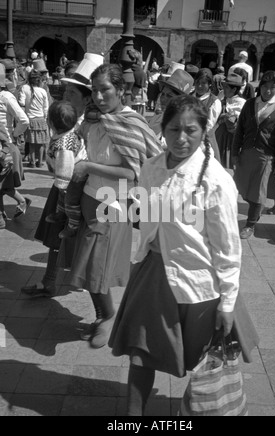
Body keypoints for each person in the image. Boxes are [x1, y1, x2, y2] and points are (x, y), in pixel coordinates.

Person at [109, 95, 259, 416]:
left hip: (200, 284)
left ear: (205, 130)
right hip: (152, 274)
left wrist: (227, 303)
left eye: (190, 130)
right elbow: (147, 216)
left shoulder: (216, 180)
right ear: (162, 129)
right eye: (174, 129)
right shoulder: (151, 168)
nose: (181, 138)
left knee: (202, 363)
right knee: (140, 352)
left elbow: (228, 248)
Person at [58, 63, 162, 349]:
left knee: (95, 266)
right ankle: (104, 315)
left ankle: (108, 316)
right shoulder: (91, 120)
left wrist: (89, 165)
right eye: (95, 90)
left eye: (106, 90)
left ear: (122, 90)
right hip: (88, 199)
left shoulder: (132, 123)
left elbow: (135, 172)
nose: (100, 97)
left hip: (114, 204)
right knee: (87, 265)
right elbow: (76, 147)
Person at [21, 53, 101, 299]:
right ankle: (49, 282)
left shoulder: (92, 125)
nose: (66, 96)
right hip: (64, 189)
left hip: (84, 192)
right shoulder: (70, 121)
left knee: (84, 246)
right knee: (56, 237)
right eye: (66, 92)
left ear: (88, 99)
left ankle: (99, 306)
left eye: (73, 94)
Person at [233, 71, 275, 240]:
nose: (268, 90)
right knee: (243, 189)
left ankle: (250, 224)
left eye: (272, 87)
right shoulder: (250, 104)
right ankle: (255, 212)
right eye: (265, 86)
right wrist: (235, 151)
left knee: (258, 192)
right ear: (261, 87)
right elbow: (240, 130)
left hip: (266, 157)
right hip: (247, 153)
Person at [45, 101, 88, 239]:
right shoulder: (65, 133)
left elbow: (66, 166)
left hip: (74, 177)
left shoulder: (64, 145)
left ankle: (73, 226)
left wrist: (63, 184)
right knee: (62, 197)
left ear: (51, 122)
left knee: (70, 200)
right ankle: (61, 214)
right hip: (70, 175)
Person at [0, 63, 30, 228]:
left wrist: (14, 135)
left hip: (6, 148)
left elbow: (24, 120)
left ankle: (19, 203)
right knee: (3, 185)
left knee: (4, 184)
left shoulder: (6, 97)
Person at [148, 69, 195, 148]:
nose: (163, 99)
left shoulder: (187, 125)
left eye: (169, 96)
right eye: (163, 94)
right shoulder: (157, 118)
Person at [18, 69, 49, 168]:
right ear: (39, 80)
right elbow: (46, 108)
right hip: (41, 120)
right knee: (40, 144)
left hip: (29, 120)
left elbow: (22, 103)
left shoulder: (24, 88)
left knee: (31, 143)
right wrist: (45, 118)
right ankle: (39, 162)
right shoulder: (43, 91)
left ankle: (32, 162)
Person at [215, 73, 246, 168]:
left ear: (234, 89)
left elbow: (238, 123)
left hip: (230, 141)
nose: (223, 90)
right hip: (219, 137)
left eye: (226, 87)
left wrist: (227, 117)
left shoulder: (241, 104)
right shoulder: (222, 99)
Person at [194, 68, 222, 162]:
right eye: (197, 82)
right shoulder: (189, 97)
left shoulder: (214, 102)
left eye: (203, 83)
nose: (199, 86)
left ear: (210, 84)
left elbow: (208, 127)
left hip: (204, 144)